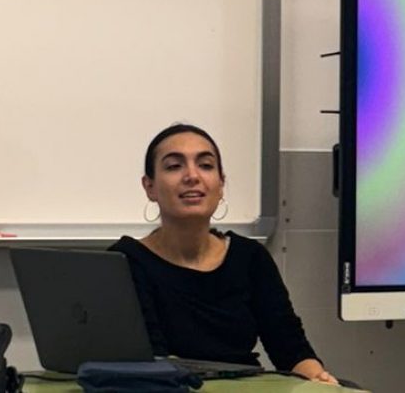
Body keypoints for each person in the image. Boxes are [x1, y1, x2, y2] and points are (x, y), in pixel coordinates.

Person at [110, 124, 338, 385]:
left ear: (220, 185)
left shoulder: (250, 258)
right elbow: (149, 364)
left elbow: (290, 348)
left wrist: (318, 379)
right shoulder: (124, 262)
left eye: (205, 165)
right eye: (174, 166)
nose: (192, 176)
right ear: (149, 187)